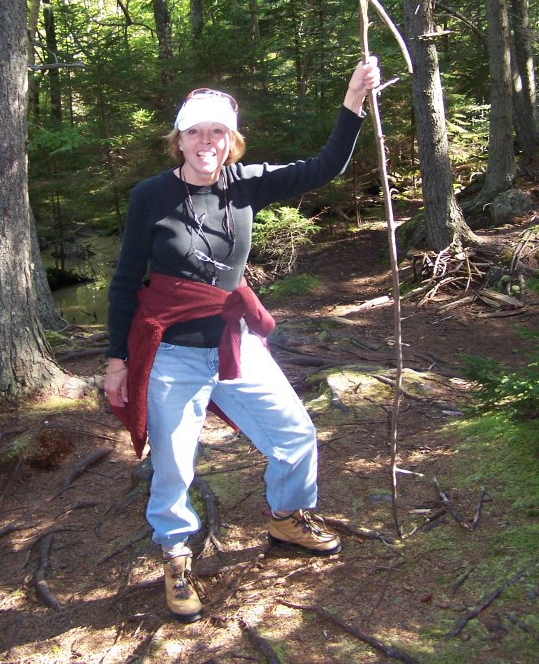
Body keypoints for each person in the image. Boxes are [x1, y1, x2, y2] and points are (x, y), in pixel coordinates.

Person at [104, 57, 380, 623]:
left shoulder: (244, 184)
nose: (206, 141)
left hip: (235, 345)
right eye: (195, 130)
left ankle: (286, 518)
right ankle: (176, 554)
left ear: (231, 140)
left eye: (218, 131)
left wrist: (352, 102)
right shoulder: (150, 197)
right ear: (178, 138)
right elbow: (127, 279)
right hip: (173, 355)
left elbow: (324, 167)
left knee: (297, 435)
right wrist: (116, 358)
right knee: (176, 464)